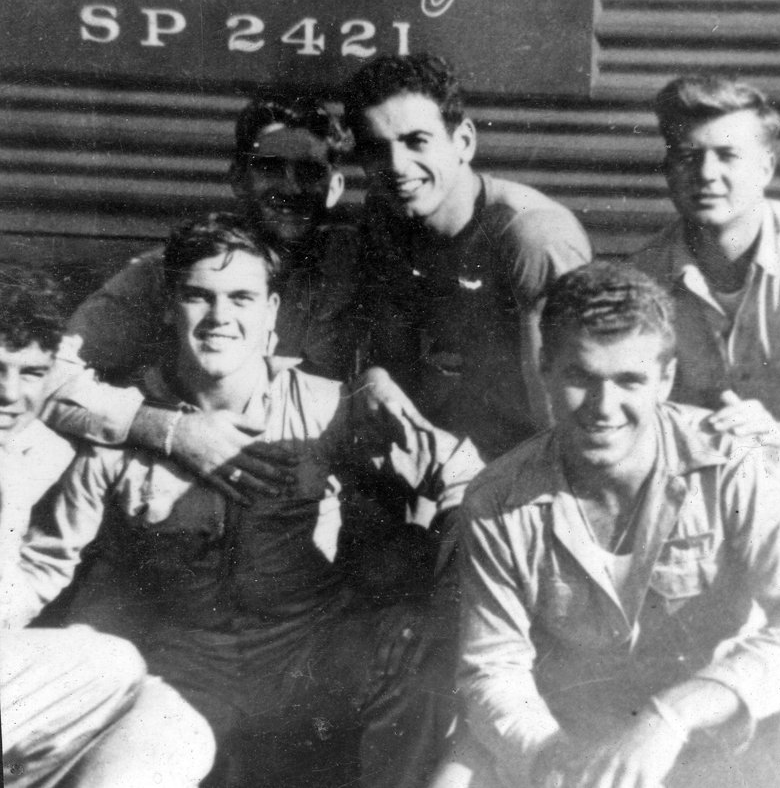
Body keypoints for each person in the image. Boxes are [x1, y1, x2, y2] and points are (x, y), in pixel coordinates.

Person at [7, 213, 484, 788]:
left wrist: (447, 600)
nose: (219, 318)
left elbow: (463, 474)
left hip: (315, 650)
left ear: (272, 312)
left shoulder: (327, 407)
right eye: (197, 297)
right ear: (166, 307)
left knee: (423, 664)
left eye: (241, 297)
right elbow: (43, 563)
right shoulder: (125, 426)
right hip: (185, 672)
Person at [445, 261, 780, 788]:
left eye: (629, 380)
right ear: (545, 370)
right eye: (580, 377)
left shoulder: (737, 459)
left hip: (716, 719)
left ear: (666, 378)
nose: (603, 408)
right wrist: (553, 757)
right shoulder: (498, 500)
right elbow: (492, 668)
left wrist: (672, 714)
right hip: (574, 732)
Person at [45, 93, 360, 503]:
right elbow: (48, 375)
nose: (290, 187)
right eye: (269, 168)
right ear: (237, 179)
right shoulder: (168, 274)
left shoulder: (357, 266)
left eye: (309, 172)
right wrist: (168, 431)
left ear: (335, 187)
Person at [0, 265, 215, 788]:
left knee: (174, 722)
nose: (10, 393)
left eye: (30, 373)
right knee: (109, 661)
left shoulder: (42, 451)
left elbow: (43, 561)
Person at [343, 53, 592, 460]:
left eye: (416, 141)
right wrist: (372, 377)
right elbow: (389, 348)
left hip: (527, 464)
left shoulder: (530, 235)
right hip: (441, 455)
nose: (397, 166)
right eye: (376, 149)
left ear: (463, 141)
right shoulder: (385, 214)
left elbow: (563, 406)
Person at [632, 76, 780, 464]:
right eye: (689, 156)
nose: (706, 174)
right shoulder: (643, 280)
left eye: (727, 155)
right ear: (668, 169)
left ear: (766, 168)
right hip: (699, 492)